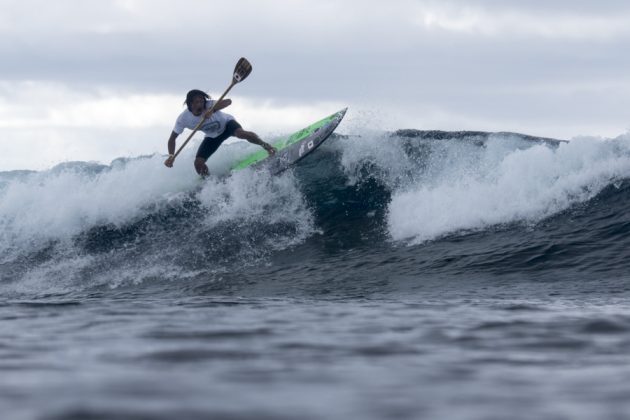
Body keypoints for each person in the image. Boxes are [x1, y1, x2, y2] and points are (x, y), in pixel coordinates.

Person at [164, 89, 276, 176]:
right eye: (197, 102)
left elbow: (228, 101)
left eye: (202, 101)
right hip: (213, 137)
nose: (201, 104)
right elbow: (172, 139)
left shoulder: (209, 105)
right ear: (190, 104)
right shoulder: (183, 119)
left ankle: (267, 146)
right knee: (198, 163)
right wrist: (171, 155)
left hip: (227, 125)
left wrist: (212, 110)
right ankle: (208, 182)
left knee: (241, 134)